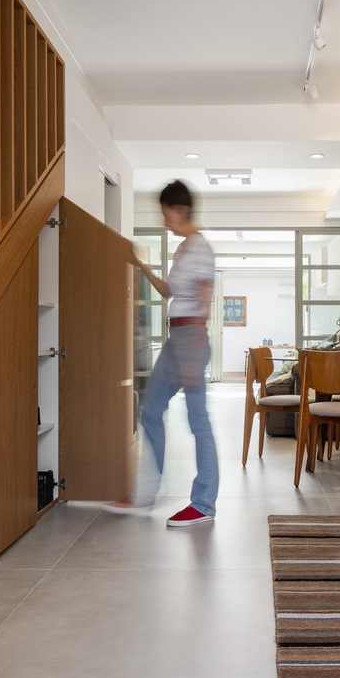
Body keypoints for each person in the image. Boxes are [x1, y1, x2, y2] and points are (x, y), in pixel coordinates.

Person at [107, 180, 219, 527]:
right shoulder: (183, 249)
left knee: (198, 421)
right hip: (176, 339)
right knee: (151, 410)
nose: (164, 220)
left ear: (181, 210)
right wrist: (139, 264)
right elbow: (170, 292)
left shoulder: (200, 248)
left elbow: (204, 302)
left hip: (191, 338)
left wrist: (193, 354)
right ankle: (146, 493)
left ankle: (203, 503)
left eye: (166, 213)